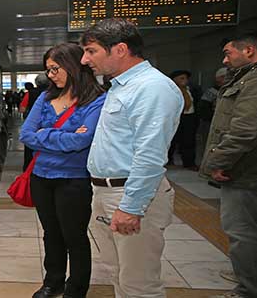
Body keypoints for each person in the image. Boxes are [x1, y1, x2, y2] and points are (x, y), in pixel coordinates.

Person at [80, 18, 183, 298]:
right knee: (118, 273)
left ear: (120, 49)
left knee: (139, 283)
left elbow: (150, 155)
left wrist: (132, 207)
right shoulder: (120, 87)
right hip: (106, 191)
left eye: (91, 51)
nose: (84, 59)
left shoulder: (152, 88)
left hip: (129, 194)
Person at [20, 42, 106, 298]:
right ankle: (53, 282)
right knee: (51, 234)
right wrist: (62, 136)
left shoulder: (96, 100)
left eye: (55, 68)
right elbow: (26, 134)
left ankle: (76, 288)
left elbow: (81, 141)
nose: (51, 75)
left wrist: (44, 135)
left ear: (72, 66)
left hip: (73, 180)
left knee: (75, 237)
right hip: (41, 177)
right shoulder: (46, 97)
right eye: (48, 70)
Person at [200, 33, 257, 298]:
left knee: (242, 232)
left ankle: (247, 289)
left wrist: (216, 162)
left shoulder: (253, 82)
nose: (225, 59)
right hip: (246, 169)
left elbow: (245, 131)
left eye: (228, 53)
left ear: (249, 50)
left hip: (246, 172)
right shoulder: (245, 79)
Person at [167, 70, 201, 170]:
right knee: (172, 140)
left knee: (189, 141)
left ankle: (189, 162)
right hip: (176, 117)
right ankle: (168, 160)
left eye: (186, 78)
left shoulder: (191, 89)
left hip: (189, 117)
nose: (185, 81)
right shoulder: (171, 90)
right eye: (182, 78)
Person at [22, 65, 52, 170]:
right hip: (50, 129)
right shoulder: (56, 93)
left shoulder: (30, 93)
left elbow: (22, 108)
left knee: (30, 151)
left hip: (33, 126)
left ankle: (29, 169)